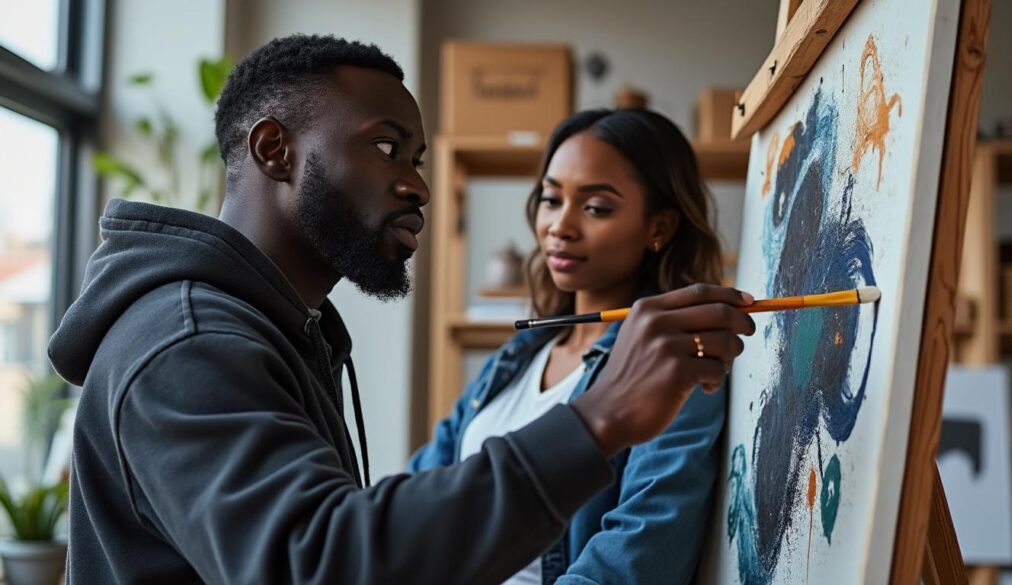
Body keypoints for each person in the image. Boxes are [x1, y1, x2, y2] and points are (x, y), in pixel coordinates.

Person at [48, 34, 755, 584]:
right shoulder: (190, 342)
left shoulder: (283, 331)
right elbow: (318, 564)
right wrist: (597, 421)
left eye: (417, 157)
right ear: (274, 150)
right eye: (388, 147)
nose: (417, 186)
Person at [411, 108, 726, 584]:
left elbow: (640, 555)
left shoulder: (677, 362)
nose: (561, 225)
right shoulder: (517, 357)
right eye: (551, 199)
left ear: (659, 228)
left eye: (596, 207)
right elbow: (418, 497)